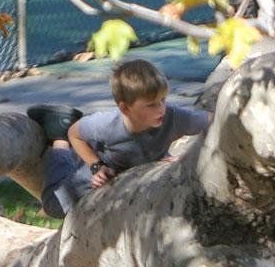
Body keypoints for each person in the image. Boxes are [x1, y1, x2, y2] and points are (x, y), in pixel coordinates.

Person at [27, 59, 211, 219]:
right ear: (125, 108)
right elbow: (74, 133)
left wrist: (187, 157)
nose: (161, 109)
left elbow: (215, 121)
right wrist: (96, 166)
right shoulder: (107, 124)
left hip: (142, 172)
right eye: (151, 105)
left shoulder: (175, 117)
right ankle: (58, 133)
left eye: (163, 100)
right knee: (53, 206)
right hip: (105, 171)